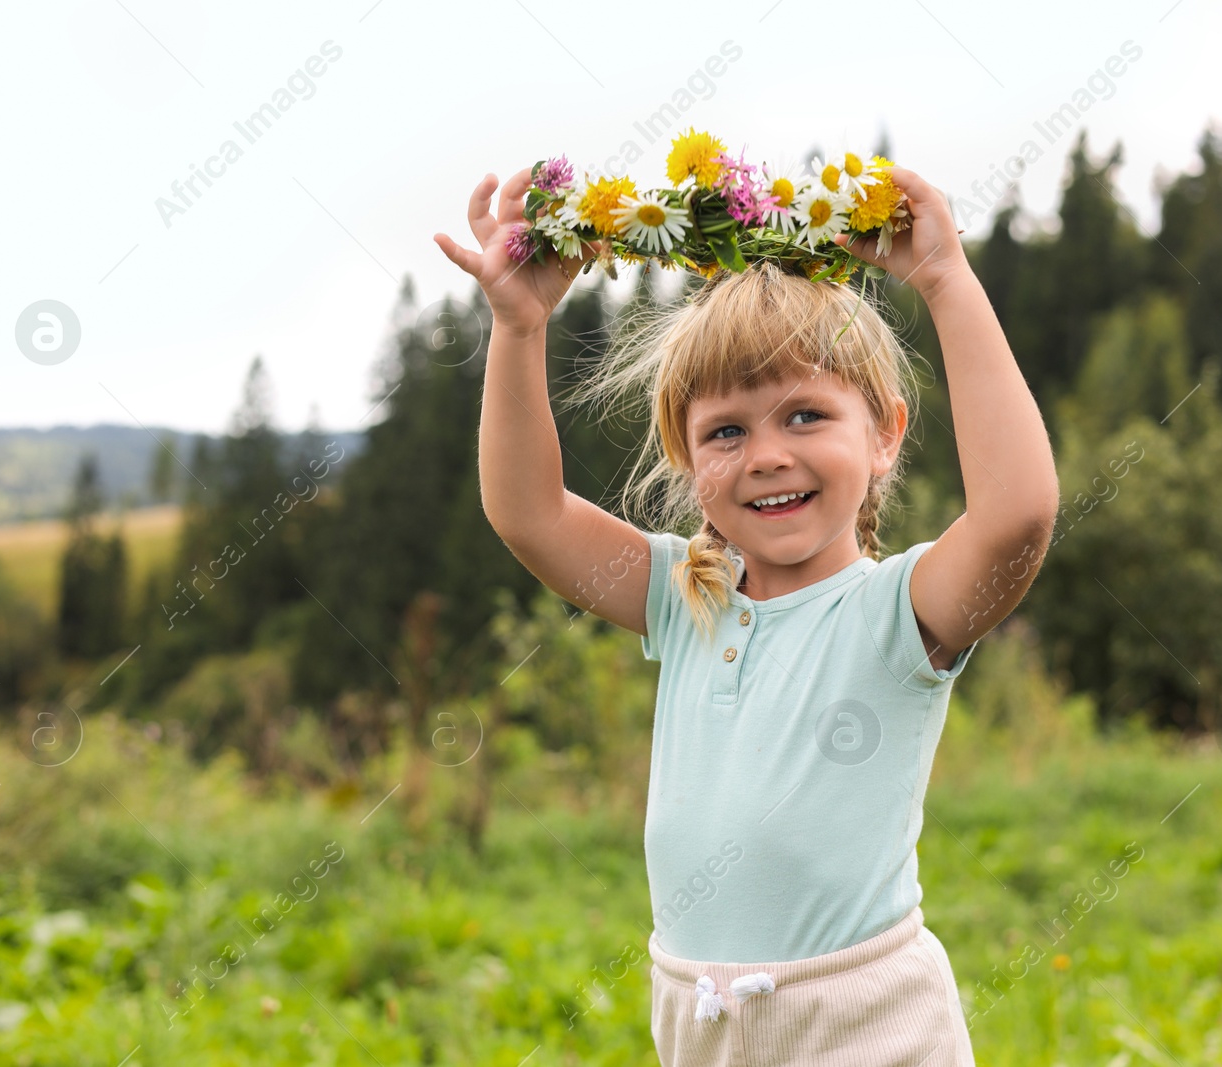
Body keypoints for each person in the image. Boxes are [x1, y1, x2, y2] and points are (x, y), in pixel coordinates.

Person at [435, 163, 1059, 1066]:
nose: (767, 455)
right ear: (687, 460)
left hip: (865, 1025)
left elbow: (1017, 517)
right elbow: (526, 513)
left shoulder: (898, 611)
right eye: (727, 431)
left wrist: (944, 280)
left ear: (885, 433)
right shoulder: (685, 595)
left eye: (805, 415)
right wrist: (519, 326)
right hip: (704, 1024)